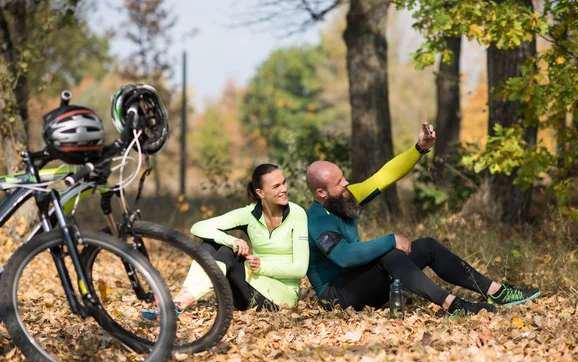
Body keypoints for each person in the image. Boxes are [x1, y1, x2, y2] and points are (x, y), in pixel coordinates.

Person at [304, 123, 540, 315]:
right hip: (336, 299)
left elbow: (384, 176)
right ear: (321, 193)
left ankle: (496, 291)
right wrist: (390, 239)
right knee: (389, 253)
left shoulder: (346, 197)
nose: (346, 183)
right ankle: (453, 305)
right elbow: (345, 257)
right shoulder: (316, 220)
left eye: (343, 177)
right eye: (338, 183)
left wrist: (419, 148)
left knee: (427, 246)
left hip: (363, 288)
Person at [152, 164, 309, 316]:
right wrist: (230, 239)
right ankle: (180, 299)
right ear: (260, 193)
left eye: (284, 182)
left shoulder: (297, 214)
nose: (284, 189)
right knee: (212, 243)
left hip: (279, 299)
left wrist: (262, 266)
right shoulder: (250, 214)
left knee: (228, 253)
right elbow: (198, 227)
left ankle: (180, 302)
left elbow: (300, 269)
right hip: (246, 290)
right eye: (276, 186)